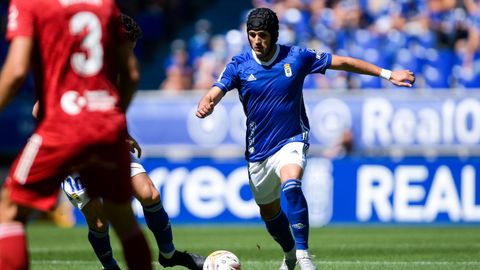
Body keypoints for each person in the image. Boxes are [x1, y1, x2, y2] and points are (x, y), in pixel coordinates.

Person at [196, 7, 415, 270]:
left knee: (292, 184)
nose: (256, 40)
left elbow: (342, 62)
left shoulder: (297, 57)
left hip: (292, 138)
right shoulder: (239, 64)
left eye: (262, 35)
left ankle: (304, 257)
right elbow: (215, 91)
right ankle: (289, 256)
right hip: (258, 151)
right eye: (252, 35)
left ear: (274, 35)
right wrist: (207, 103)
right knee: (269, 214)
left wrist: (388, 74)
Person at [30, 14, 206, 270]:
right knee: (99, 223)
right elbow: (39, 111)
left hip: (109, 147)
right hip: (74, 154)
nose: (128, 57)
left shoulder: (115, 71)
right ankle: (110, 267)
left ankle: (169, 255)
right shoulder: (77, 66)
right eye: (126, 49)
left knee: (150, 193)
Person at [0, 1, 152, 269]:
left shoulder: (30, 4)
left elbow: (16, 72)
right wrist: (114, 118)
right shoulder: (104, 5)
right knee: (124, 221)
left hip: (62, 125)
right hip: (105, 127)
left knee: (10, 211)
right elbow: (131, 73)